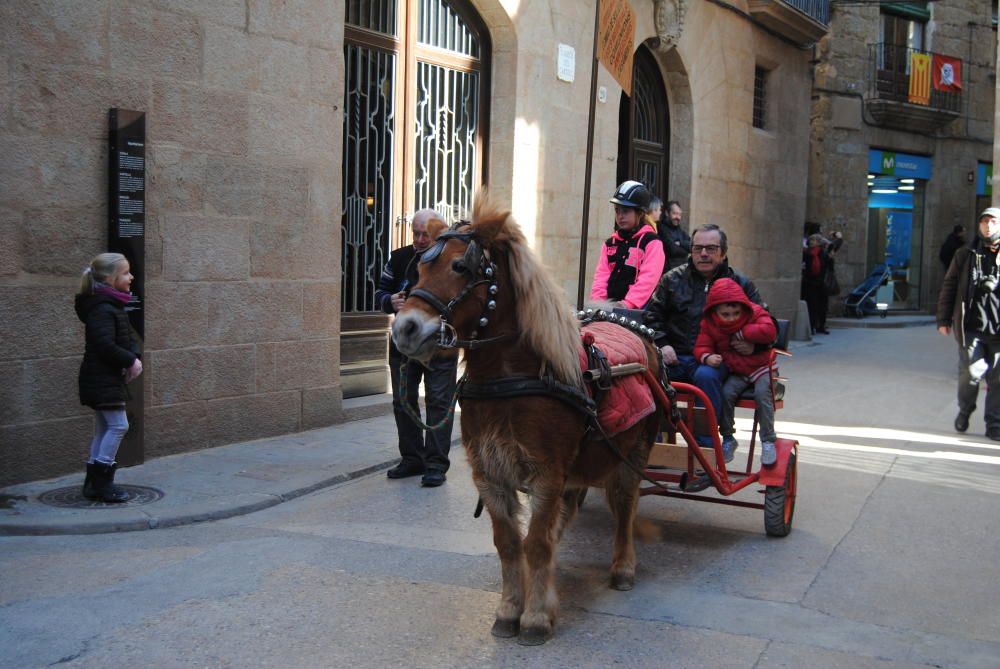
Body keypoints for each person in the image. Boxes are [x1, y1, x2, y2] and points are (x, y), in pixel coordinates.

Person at [644, 224, 766, 440]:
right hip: (676, 358)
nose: (703, 254)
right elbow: (652, 317)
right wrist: (663, 344)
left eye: (711, 248)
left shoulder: (740, 284)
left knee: (705, 376)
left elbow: (764, 320)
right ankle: (650, 443)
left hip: (719, 361)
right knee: (645, 375)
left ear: (723, 252)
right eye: (697, 248)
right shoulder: (671, 280)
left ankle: (705, 451)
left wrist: (753, 344)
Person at [376, 208, 458, 487]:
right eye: (416, 233)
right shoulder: (399, 257)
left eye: (426, 234)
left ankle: (435, 464)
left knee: (439, 402)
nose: (420, 239)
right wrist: (391, 303)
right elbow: (380, 291)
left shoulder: (451, 262)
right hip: (404, 341)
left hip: (440, 342)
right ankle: (412, 459)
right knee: (402, 400)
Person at [75, 253, 142, 503]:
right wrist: (130, 360)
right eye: (125, 273)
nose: (131, 277)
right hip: (102, 377)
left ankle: (94, 483)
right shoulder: (102, 308)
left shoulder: (109, 305)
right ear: (110, 278)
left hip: (105, 377)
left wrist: (131, 356)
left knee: (105, 427)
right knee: (118, 425)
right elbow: (104, 345)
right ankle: (102, 484)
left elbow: (124, 338)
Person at [693, 279, 778, 464]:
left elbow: (769, 330)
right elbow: (701, 345)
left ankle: (768, 440)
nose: (732, 319)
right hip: (739, 370)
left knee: (763, 395)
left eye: (736, 313)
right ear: (715, 312)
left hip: (762, 367)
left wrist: (742, 333)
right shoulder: (709, 324)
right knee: (726, 394)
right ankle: (728, 437)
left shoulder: (754, 312)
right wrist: (707, 357)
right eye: (726, 314)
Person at [937, 208, 1000, 441]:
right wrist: (943, 319)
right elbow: (949, 287)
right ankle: (965, 409)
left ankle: (994, 423)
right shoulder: (965, 254)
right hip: (972, 327)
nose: (988, 226)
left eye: (993, 222)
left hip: (998, 331)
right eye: (984, 222)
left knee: (998, 379)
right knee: (970, 374)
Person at [590, 180, 665, 309]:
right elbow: (600, 277)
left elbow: (648, 279)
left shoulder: (652, 242)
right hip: (608, 309)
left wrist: (628, 304)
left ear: (640, 213)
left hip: (639, 311)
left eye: (625, 211)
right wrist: (598, 303)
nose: (620, 216)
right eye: (617, 211)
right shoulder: (609, 244)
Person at [801, 232, 833, 335]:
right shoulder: (806, 253)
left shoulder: (823, 254)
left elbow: (829, 267)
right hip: (809, 283)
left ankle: (821, 326)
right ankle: (811, 326)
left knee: (822, 306)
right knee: (811, 306)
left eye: (814, 240)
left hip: (820, 282)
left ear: (819, 243)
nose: (811, 242)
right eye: (811, 240)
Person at [657, 200, 691, 273]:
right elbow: (673, 250)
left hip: (682, 272)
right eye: (675, 213)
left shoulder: (680, 231)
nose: (678, 217)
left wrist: (680, 243)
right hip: (668, 273)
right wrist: (685, 250)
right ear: (667, 213)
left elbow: (692, 246)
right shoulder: (661, 228)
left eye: (679, 215)